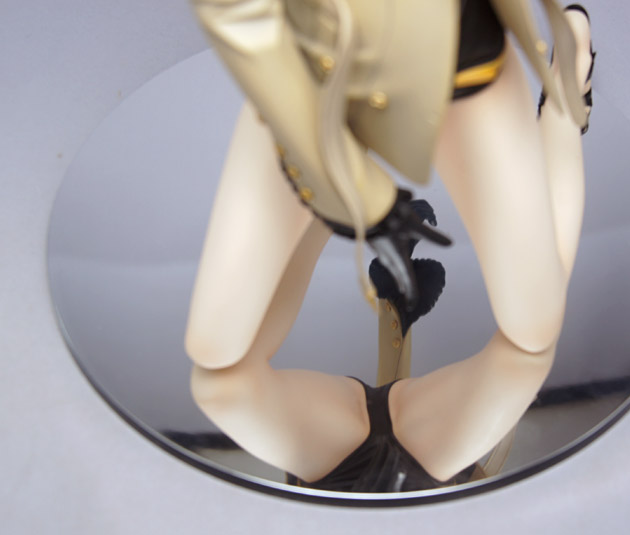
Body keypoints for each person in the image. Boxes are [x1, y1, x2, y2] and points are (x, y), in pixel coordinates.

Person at [186, 0, 595, 492]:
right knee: (530, 343)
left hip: (331, 464)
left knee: (217, 377)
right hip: (432, 455)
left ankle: (328, 179)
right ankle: (567, 105)